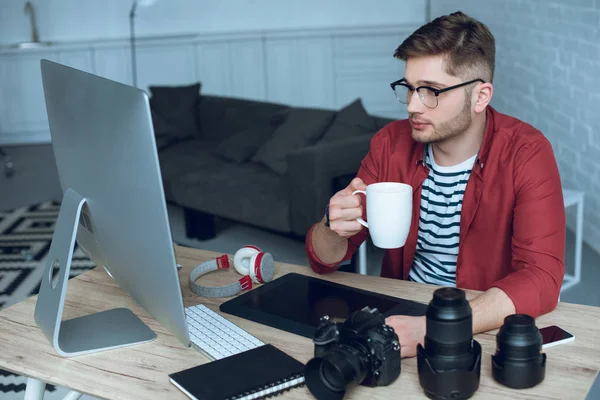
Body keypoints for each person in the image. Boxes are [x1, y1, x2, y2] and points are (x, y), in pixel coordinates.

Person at [304, 11, 565, 358]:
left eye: (432, 91)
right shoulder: (390, 144)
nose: (413, 105)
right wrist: (331, 226)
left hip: (484, 322)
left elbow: (542, 278)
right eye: (410, 88)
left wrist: (440, 326)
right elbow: (325, 260)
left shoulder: (527, 152)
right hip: (402, 315)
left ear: (480, 96)